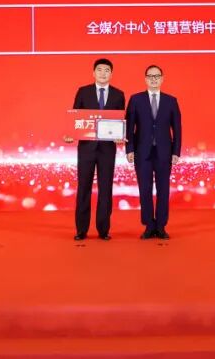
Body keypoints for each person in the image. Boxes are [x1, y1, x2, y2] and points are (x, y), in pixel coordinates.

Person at [68, 58, 125, 241]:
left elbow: (120, 120)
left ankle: (103, 230)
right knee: (84, 187)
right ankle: (81, 230)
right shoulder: (83, 92)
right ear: (93, 73)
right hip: (86, 148)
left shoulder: (118, 95)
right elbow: (74, 117)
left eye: (106, 70)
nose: (102, 73)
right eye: (99, 70)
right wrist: (70, 134)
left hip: (107, 149)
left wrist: (120, 135)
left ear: (111, 74)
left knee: (106, 189)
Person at [125, 65, 181, 239]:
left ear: (162, 79)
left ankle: (161, 226)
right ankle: (149, 226)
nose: (154, 79)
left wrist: (176, 152)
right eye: (150, 76)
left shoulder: (171, 101)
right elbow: (129, 127)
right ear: (145, 79)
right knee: (145, 190)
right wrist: (129, 149)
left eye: (157, 76)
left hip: (164, 152)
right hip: (142, 153)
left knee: (163, 190)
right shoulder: (136, 99)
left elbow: (177, 129)